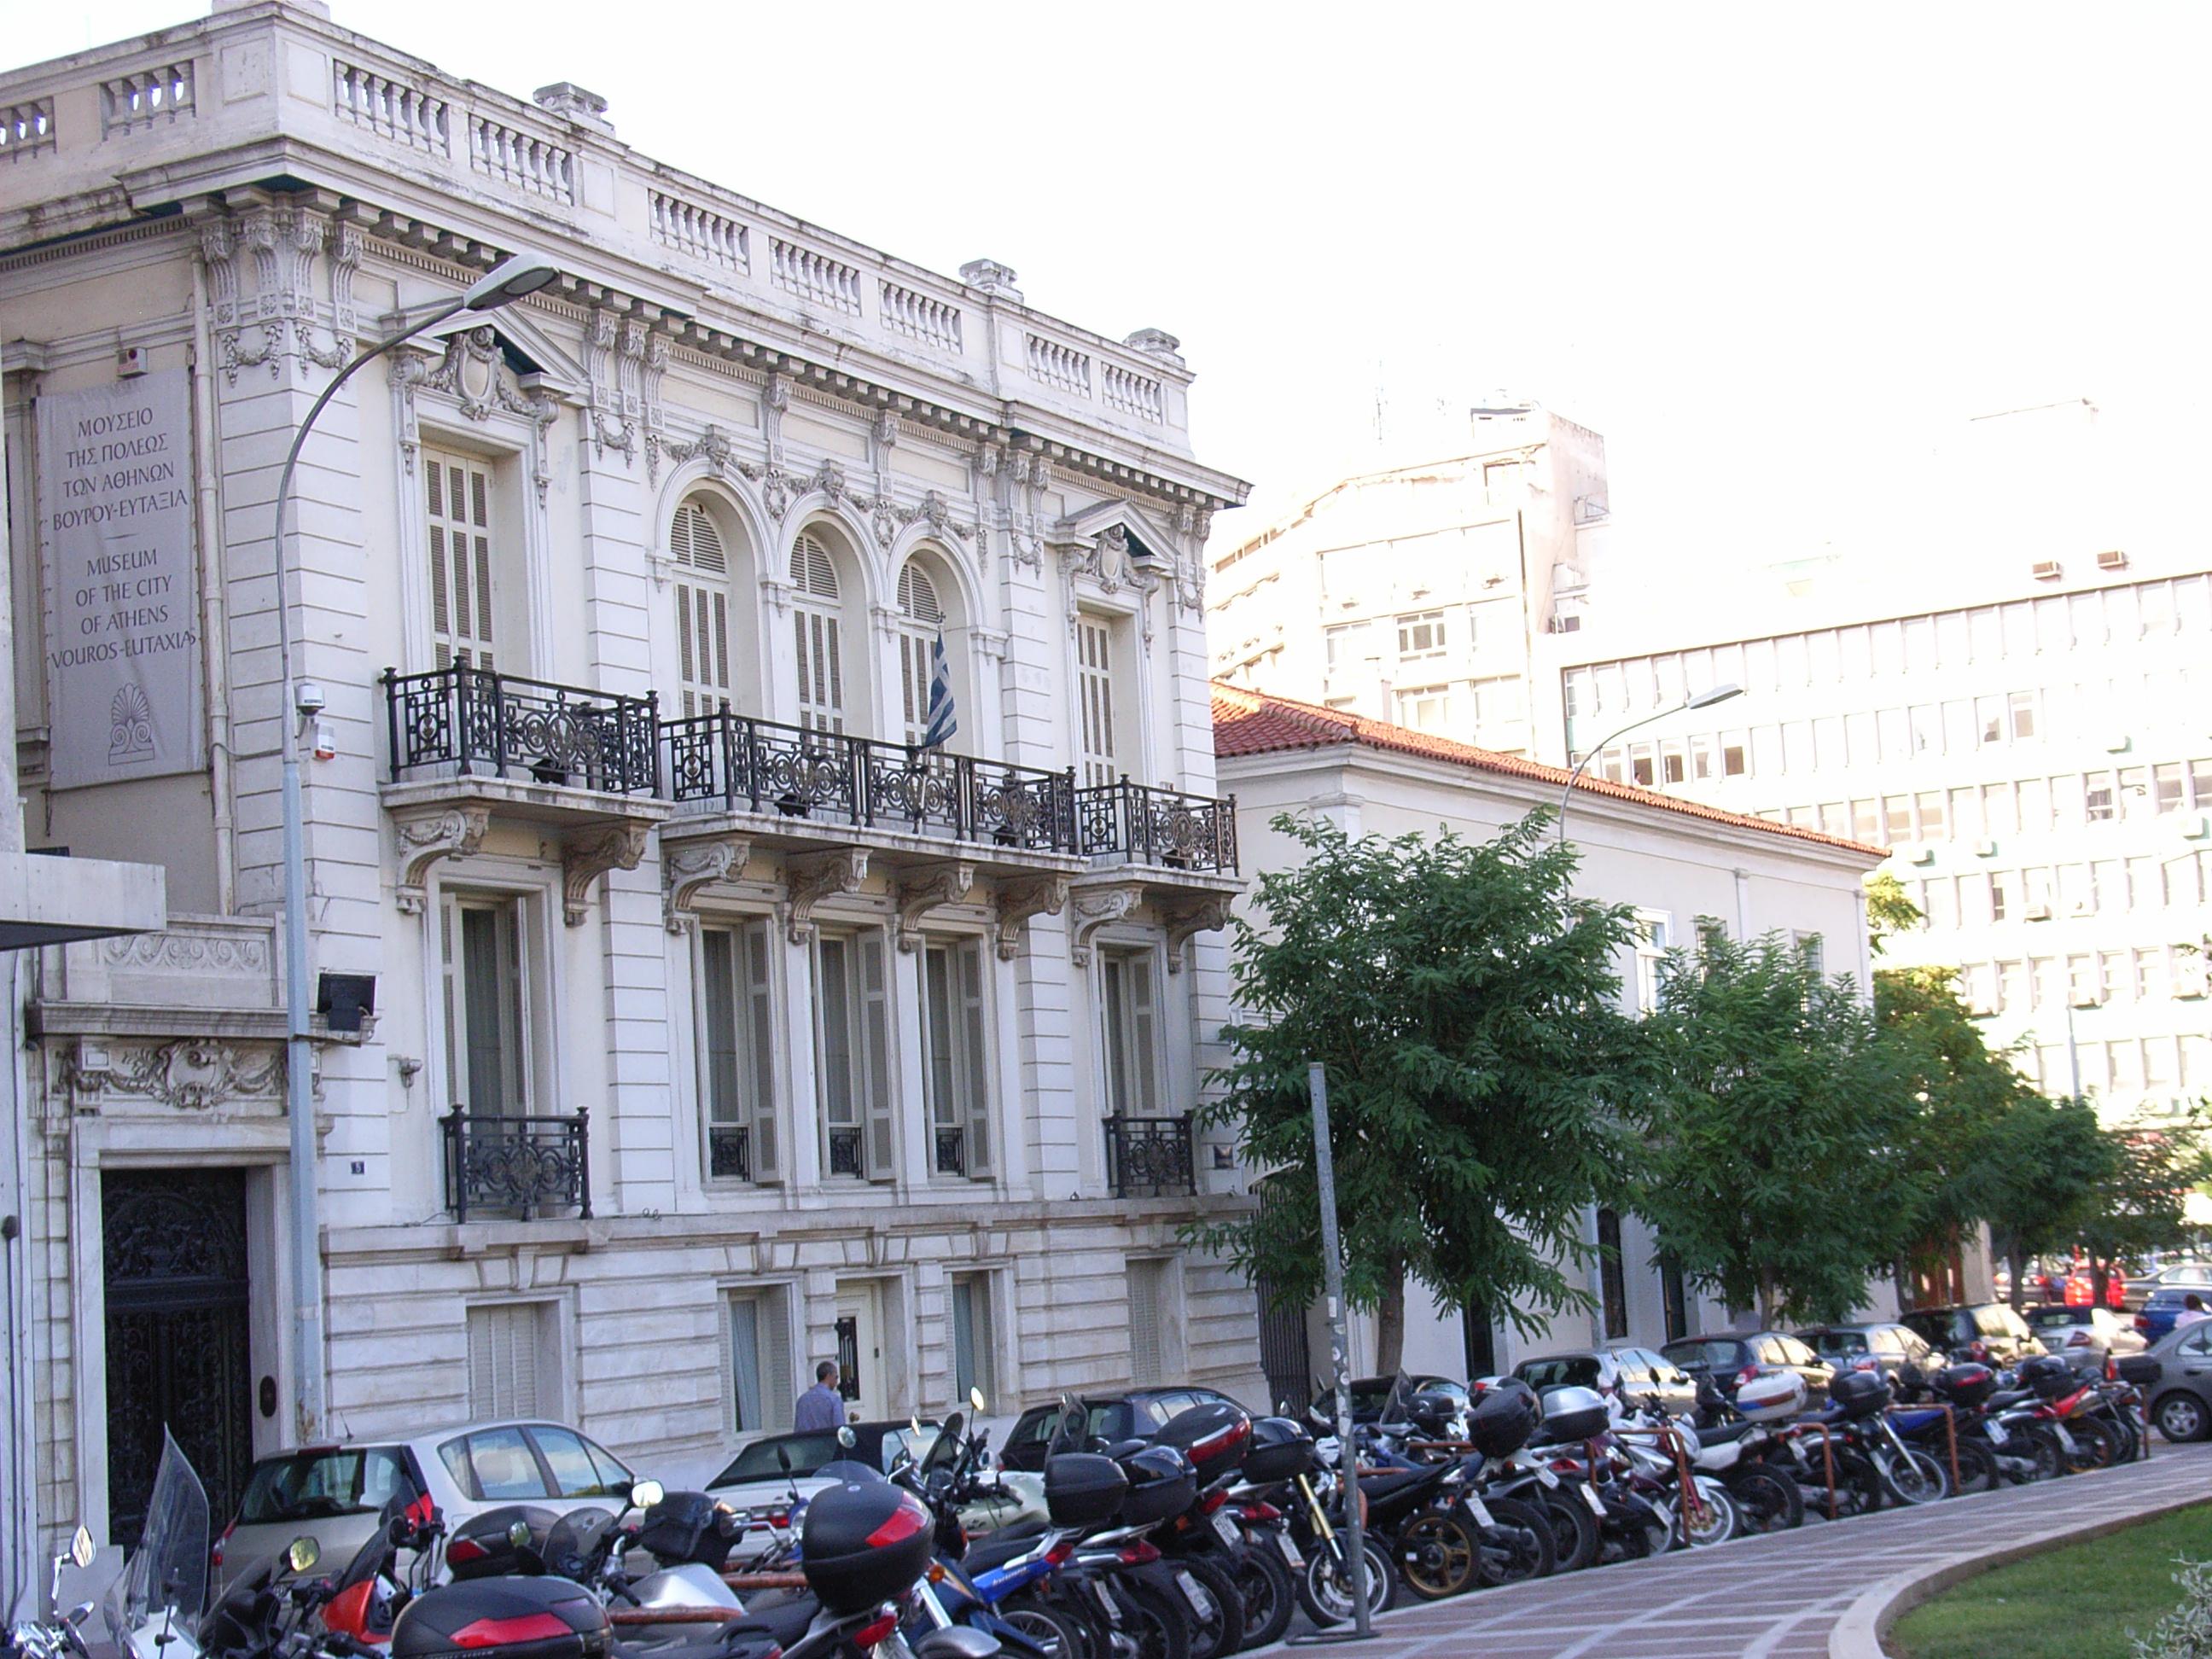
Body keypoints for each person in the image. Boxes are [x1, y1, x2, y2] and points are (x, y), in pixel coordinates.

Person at [795, 1359, 846, 1430]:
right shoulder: (834, 1400)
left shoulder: (802, 1400)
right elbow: (840, 1429)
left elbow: (798, 1429)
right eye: (836, 1377)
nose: (837, 1381)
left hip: (807, 1437)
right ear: (828, 1376)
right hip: (827, 1437)